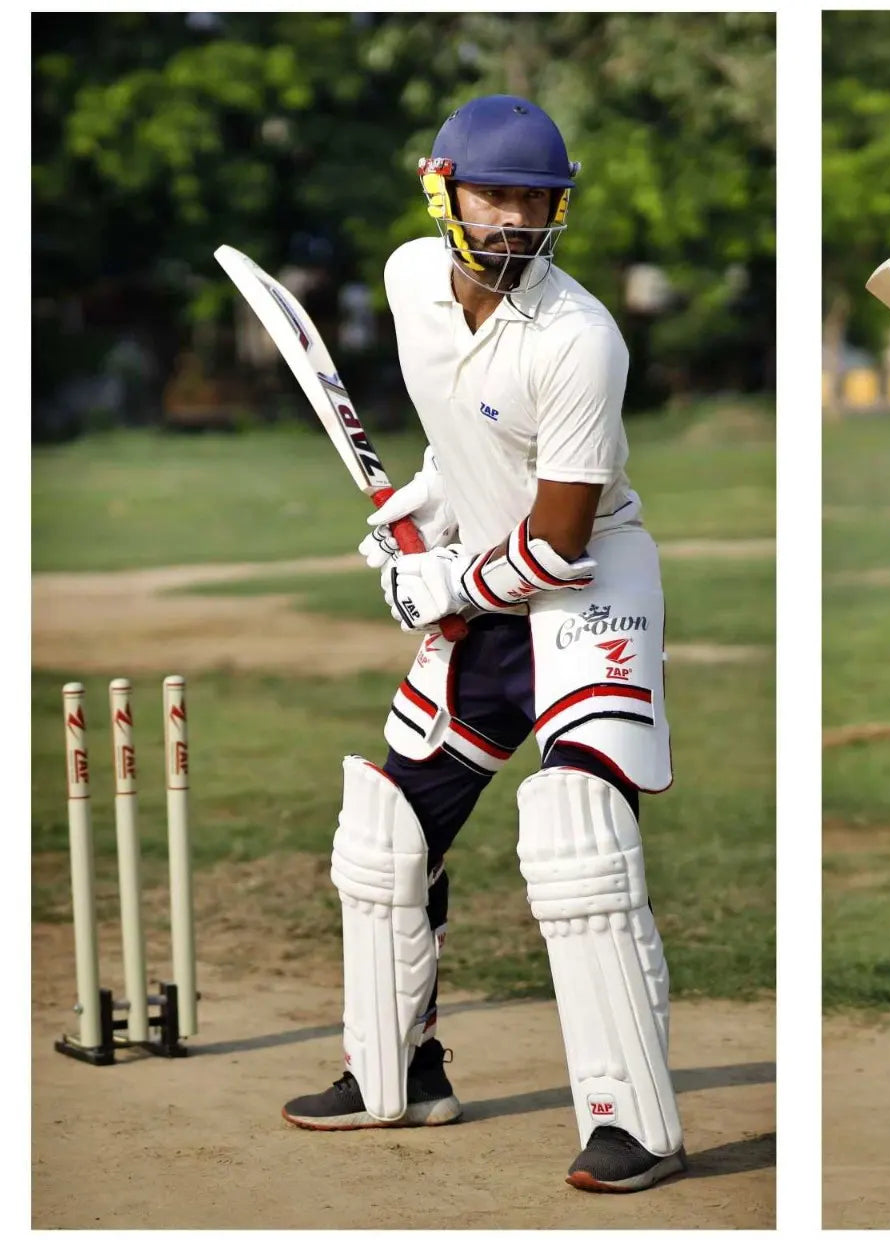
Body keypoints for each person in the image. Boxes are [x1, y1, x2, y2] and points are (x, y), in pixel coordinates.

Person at [279, 94, 686, 1194]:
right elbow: (465, 422)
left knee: (579, 843)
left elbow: (556, 542)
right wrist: (429, 494)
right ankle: (394, 1073)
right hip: (483, 590)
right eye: (495, 194)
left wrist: (438, 579)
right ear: (441, 186)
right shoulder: (412, 277)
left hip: (586, 588)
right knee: (387, 834)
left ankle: (632, 1120)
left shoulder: (580, 339)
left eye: (537, 199)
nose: (514, 218)